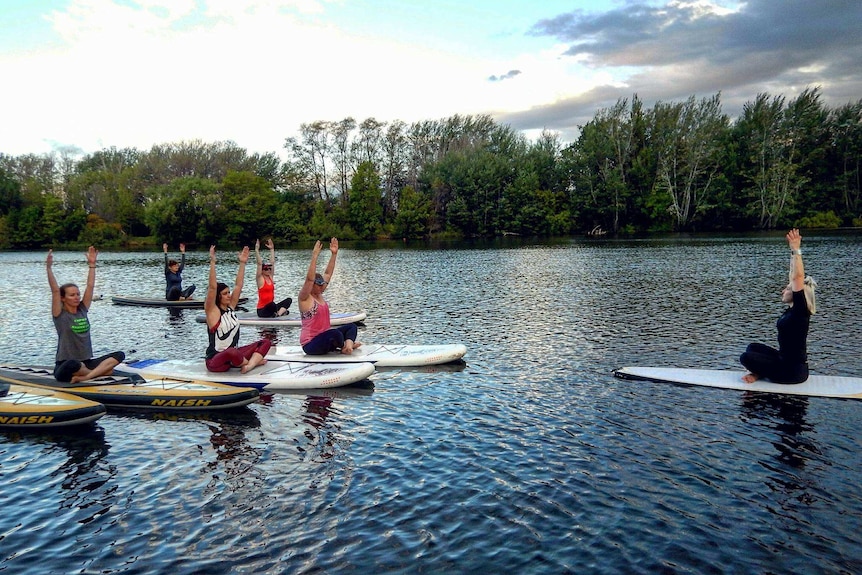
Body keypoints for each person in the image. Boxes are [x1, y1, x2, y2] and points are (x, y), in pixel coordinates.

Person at [740, 228, 817, 384]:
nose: (783, 290)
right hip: (784, 361)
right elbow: (793, 276)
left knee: (746, 357)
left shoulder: (800, 312)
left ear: (798, 294)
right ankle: (759, 373)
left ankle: (759, 373)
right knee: (752, 347)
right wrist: (791, 252)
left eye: (787, 289)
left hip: (793, 372)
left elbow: (798, 277)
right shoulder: (793, 310)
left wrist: (797, 250)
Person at [48, 246, 125, 383]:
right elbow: (55, 291)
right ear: (63, 298)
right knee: (74, 364)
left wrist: (92, 265)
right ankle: (100, 372)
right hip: (66, 366)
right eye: (72, 295)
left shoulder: (82, 309)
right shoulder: (60, 315)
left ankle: (88, 376)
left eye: (78, 294)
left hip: (87, 363)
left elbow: (90, 286)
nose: (77, 297)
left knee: (119, 355)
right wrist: (49, 269)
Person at [204, 245, 271, 373]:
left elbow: (238, 285)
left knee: (266, 342)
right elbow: (212, 288)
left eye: (229, 292)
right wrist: (212, 262)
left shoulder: (230, 307)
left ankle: (249, 365)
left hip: (234, 358)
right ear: (218, 297)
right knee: (231, 352)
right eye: (225, 293)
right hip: (216, 361)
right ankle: (253, 362)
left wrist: (242, 263)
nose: (229, 295)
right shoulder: (213, 311)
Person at [298, 238, 361, 355]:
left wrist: (334, 254)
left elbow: (327, 274)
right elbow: (309, 279)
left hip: (324, 338)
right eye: (319, 285)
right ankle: (346, 346)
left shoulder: (319, 293)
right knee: (335, 334)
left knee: (351, 327)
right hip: (311, 344)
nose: (322, 287)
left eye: (323, 284)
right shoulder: (305, 297)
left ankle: (347, 346)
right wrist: (315, 256)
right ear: (312, 285)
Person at [254, 238, 292, 317]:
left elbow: (272, 262)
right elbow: (259, 263)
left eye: (269, 269)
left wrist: (272, 249)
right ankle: (280, 312)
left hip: (271, 308)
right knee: (272, 305)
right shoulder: (260, 279)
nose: (268, 270)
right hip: (262, 310)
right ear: (262, 270)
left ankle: (278, 314)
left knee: (289, 300)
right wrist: (256, 250)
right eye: (266, 269)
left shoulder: (270, 277)